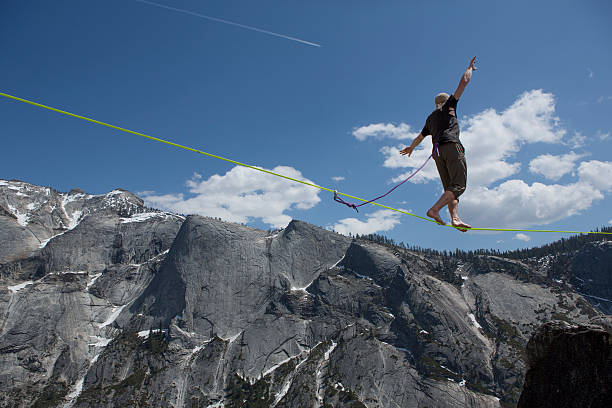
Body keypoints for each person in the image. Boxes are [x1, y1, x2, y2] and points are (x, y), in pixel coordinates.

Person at [399, 56, 477, 232]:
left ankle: (455, 219)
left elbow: (420, 137)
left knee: (450, 189)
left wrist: (411, 147)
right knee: (459, 186)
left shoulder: (430, 118)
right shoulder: (449, 106)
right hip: (450, 146)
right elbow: (463, 82)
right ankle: (434, 209)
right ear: (447, 100)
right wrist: (470, 69)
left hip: (437, 153)